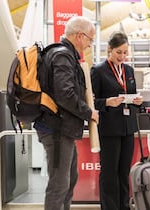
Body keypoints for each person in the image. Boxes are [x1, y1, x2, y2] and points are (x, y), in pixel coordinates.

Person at [33, 16, 99, 210]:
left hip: (62, 128)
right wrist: (89, 113)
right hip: (56, 129)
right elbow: (65, 95)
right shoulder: (63, 56)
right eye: (90, 39)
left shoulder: (62, 54)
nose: (89, 45)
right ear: (80, 36)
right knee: (59, 183)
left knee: (69, 179)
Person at [90, 31, 143, 210]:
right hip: (109, 129)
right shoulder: (98, 71)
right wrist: (106, 102)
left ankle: (123, 206)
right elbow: (90, 102)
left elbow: (131, 94)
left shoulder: (128, 70)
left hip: (127, 128)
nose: (122, 56)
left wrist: (137, 102)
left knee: (123, 172)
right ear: (110, 50)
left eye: (125, 52)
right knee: (109, 173)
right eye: (119, 52)